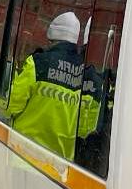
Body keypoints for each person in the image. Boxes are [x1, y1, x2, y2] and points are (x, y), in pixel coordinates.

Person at [7, 11, 101, 160]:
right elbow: (85, 128)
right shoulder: (88, 75)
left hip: (25, 155)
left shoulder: (38, 63)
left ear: (52, 39)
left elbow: (12, 105)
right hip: (61, 164)